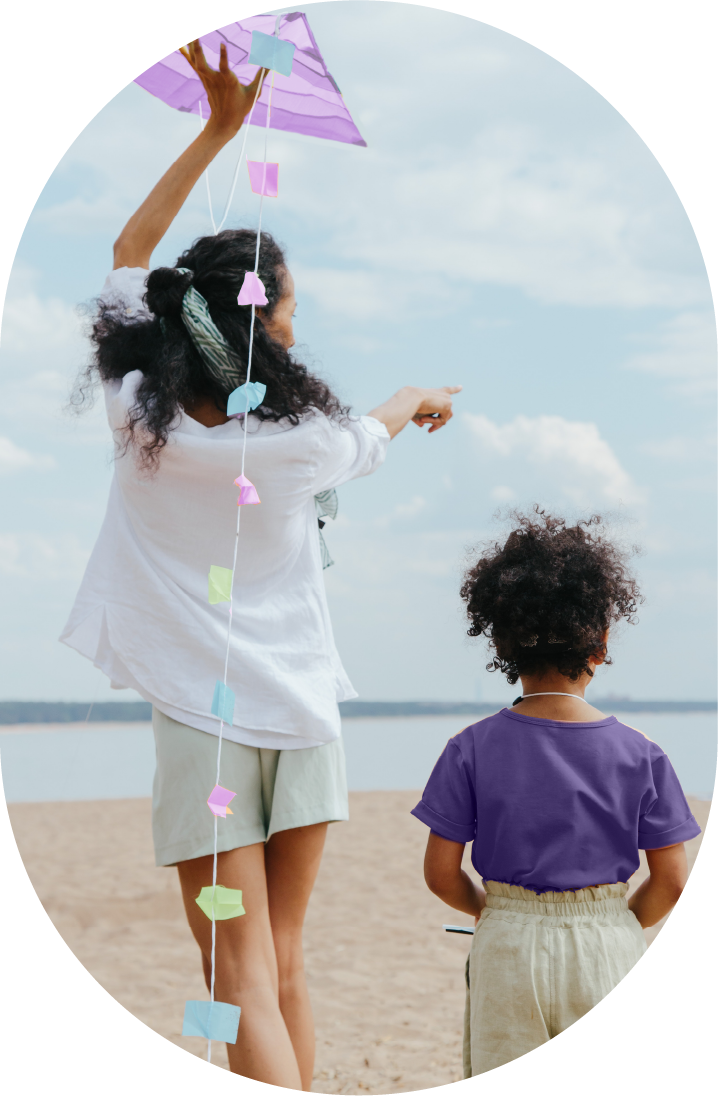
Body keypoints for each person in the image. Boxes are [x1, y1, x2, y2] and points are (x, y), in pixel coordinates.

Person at [62, 41, 461, 1090]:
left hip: (208, 737)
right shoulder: (305, 444)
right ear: (261, 326)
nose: (297, 322)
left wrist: (216, 130)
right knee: (278, 962)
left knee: (227, 967)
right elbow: (375, 427)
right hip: (309, 725)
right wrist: (416, 394)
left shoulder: (136, 418)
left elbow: (129, 245)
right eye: (289, 306)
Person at [411, 509, 700, 1077]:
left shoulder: (470, 747)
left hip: (508, 947)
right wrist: (616, 926)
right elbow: (672, 881)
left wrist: (492, 912)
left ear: (501, 642)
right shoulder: (642, 753)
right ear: (602, 641)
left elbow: (441, 874)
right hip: (607, 943)